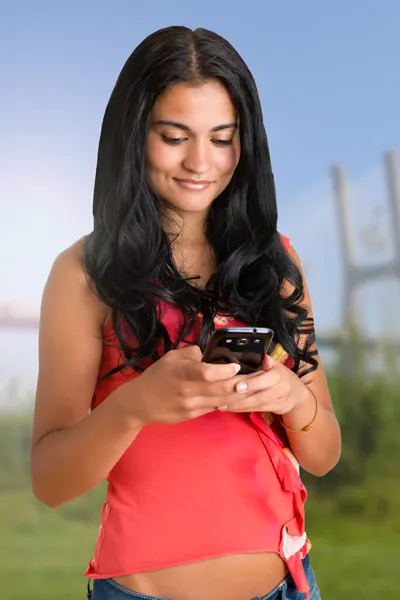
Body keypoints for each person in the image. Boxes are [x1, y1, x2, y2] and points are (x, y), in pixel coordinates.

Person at [30, 25, 341, 600]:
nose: (202, 161)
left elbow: (324, 455)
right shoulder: (82, 274)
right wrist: (134, 406)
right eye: (174, 136)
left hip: (290, 588)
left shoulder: (274, 259)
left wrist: (295, 401)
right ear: (133, 136)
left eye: (223, 138)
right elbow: (49, 481)